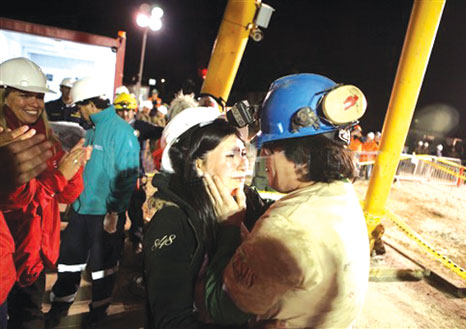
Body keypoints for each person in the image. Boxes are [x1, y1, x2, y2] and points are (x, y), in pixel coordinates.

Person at [202, 73, 370, 329]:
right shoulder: (342, 194)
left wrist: (229, 226)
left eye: (269, 148)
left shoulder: (285, 226)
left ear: (301, 154)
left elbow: (220, 308)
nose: (263, 157)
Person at [143, 107, 272, 328]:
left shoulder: (247, 201)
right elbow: (173, 320)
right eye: (231, 155)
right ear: (198, 164)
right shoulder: (173, 221)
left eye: (243, 153)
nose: (245, 164)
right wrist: (229, 230)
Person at [0, 57, 90, 329]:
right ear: (4, 96)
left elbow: (66, 195)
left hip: (35, 256)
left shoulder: (48, 138)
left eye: (38, 96)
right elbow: (16, 200)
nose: (35, 103)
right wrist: (59, 177)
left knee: (29, 318)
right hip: (12, 252)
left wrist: (74, 171)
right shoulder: (5, 139)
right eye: (24, 94)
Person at [46, 76, 140, 328]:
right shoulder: (90, 132)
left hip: (105, 214)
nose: (78, 112)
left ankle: (98, 312)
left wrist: (115, 212)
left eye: (79, 107)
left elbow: (128, 176)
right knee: (68, 262)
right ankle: (60, 304)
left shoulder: (123, 133)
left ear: (90, 104)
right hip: (81, 210)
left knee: (103, 268)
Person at [114, 92, 164, 252]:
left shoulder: (141, 127)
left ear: (134, 110)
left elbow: (161, 131)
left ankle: (137, 241)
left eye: (128, 110)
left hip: (135, 176)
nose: (125, 114)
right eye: (121, 111)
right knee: (117, 212)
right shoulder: (110, 127)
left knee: (136, 211)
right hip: (114, 177)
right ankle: (117, 242)